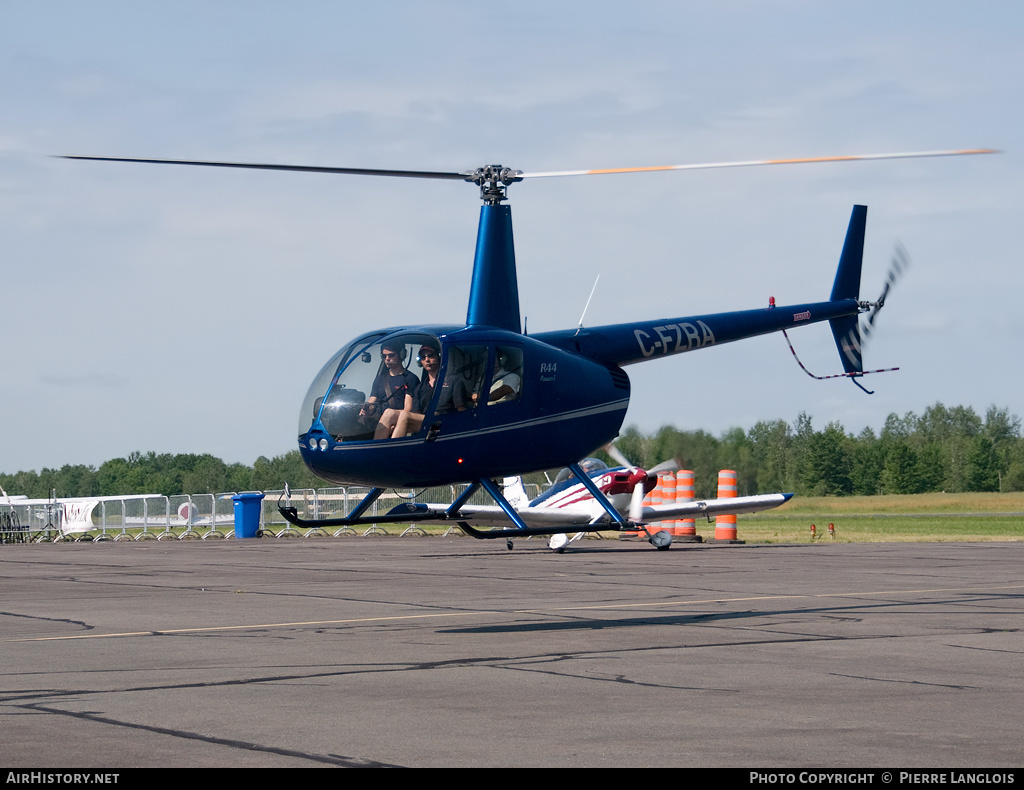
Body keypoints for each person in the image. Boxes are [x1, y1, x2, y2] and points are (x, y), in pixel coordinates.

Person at [359, 342, 420, 440]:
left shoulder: (410, 379)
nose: (387, 358)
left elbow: (407, 409)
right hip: (379, 419)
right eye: (384, 356)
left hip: (396, 418)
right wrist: (366, 409)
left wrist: (392, 421)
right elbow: (372, 400)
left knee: (388, 413)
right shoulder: (380, 379)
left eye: (391, 355)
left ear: (401, 355)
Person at [393, 342, 442, 437]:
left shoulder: (452, 382)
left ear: (439, 357)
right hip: (426, 423)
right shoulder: (420, 388)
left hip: (444, 423)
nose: (427, 360)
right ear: (420, 362)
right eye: (423, 357)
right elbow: (416, 412)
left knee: (404, 415)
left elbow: (461, 410)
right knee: (390, 415)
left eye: (431, 356)